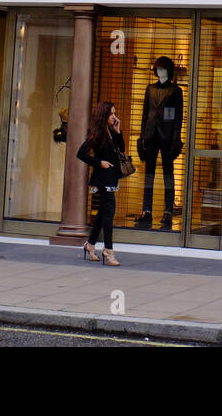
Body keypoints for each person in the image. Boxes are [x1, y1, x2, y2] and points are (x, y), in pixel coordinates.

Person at [135, 56, 183, 230]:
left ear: (169, 71)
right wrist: (142, 136)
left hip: (167, 137)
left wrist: (176, 139)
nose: (160, 71)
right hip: (150, 135)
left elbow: (178, 118)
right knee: (149, 174)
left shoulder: (176, 91)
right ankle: (146, 210)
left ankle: (168, 211)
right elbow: (144, 113)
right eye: (158, 69)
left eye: (163, 69)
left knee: (168, 175)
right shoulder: (149, 89)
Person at [77, 101, 126, 266]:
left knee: (102, 213)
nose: (114, 116)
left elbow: (122, 149)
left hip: (111, 177)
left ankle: (90, 245)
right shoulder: (97, 133)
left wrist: (119, 132)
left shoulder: (112, 131)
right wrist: (99, 163)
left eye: (114, 113)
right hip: (103, 178)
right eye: (111, 114)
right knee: (109, 213)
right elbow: (81, 154)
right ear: (104, 115)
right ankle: (108, 250)